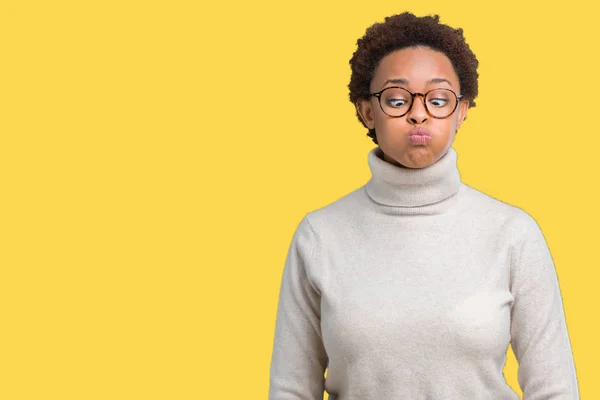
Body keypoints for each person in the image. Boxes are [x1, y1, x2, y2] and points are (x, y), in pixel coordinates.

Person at [268, 12, 580, 400]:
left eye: (438, 99)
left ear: (461, 111)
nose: (418, 113)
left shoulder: (512, 233)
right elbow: (291, 389)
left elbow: (555, 389)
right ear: (367, 111)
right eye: (397, 99)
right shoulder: (319, 235)